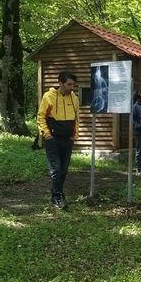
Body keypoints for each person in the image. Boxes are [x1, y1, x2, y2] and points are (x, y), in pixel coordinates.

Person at [37, 70, 80, 209]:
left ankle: (57, 194)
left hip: (68, 139)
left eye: (73, 84)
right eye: (69, 84)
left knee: (64, 169)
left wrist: (75, 135)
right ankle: (57, 196)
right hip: (53, 139)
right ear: (60, 83)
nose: (72, 87)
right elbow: (41, 117)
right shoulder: (48, 96)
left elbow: (77, 118)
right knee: (56, 169)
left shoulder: (74, 98)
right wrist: (47, 134)